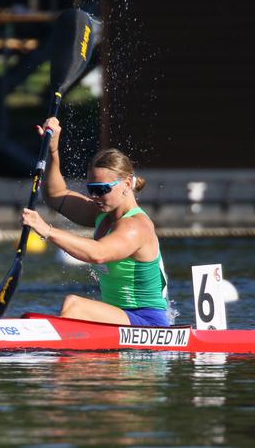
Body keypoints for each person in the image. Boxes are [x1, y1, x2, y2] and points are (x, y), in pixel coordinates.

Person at [21, 117, 170, 327]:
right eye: (91, 189)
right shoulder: (102, 214)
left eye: (101, 190)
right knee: (37, 316)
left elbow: (97, 254)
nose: (94, 196)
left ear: (127, 183)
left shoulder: (136, 226)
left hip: (148, 323)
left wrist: (47, 230)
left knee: (74, 306)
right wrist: (53, 151)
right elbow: (56, 195)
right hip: (120, 318)